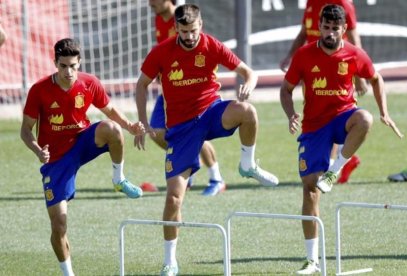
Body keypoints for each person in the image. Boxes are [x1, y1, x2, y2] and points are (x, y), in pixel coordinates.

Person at [135, 4, 279, 275]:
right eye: (185, 31)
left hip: (211, 112)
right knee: (174, 199)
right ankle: (170, 261)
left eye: (194, 30)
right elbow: (141, 84)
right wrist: (143, 121)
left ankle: (247, 165)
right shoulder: (162, 52)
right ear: (176, 28)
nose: (190, 36)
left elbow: (250, 72)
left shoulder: (211, 45)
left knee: (247, 112)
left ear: (201, 25)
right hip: (181, 129)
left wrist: (249, 83)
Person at [279, 5, 402, 274]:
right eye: (326, 27)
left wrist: (384, 112)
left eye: (336, 28)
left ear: (343, 30)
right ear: (319, 27)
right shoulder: (304, 55)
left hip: (344, 117)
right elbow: (286, 90)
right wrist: (290, 115)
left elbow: (376, 78)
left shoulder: (354, 54)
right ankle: (312, 260)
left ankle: (335, 170)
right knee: (310, 189)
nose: (330, 33)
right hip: (313, 127)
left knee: (365, 119)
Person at [20, 38, 145, 276]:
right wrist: (37, 150)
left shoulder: (90, 83)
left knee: (112, 129)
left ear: (79, 63)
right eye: (63, 66)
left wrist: (130, 126)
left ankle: (118, 180)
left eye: (73, 66)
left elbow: (108, 110)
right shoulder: (39, 90)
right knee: (59, 224)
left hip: (82, 142)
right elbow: (25, 129)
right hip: (55, 158)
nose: (69, 72)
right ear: (55, 63)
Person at [280, 0, 367, 184]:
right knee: (320, 112)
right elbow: (304, 32)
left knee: (333, 112)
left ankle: (334, 166)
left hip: (337, 65)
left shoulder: (343, 4)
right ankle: (335, 164)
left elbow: (354, 37)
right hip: (312, 67)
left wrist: (359, 77)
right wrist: (290, 55)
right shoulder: (311, 2)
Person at [149, 0, 225, 196]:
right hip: (170, 90)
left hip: (190, 93)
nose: (150, 2)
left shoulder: (185, 20)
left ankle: (216, 178)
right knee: (156, 132)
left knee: (196, 130)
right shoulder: (160, 19)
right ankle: (188, 161)